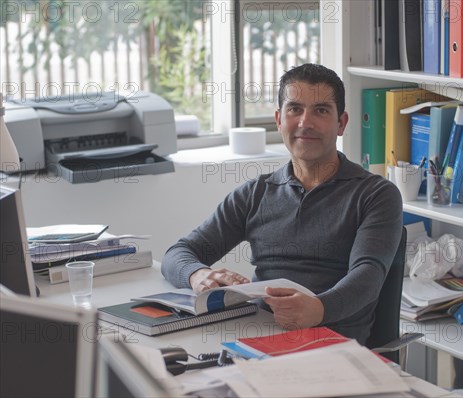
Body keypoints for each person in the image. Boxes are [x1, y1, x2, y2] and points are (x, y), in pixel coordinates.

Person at [162, 63, 403, 344]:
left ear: (342, 123)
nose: (305, 122)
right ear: (279, 120)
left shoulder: (375, 194)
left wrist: (319, 309)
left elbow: (367, 278)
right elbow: (178, 253)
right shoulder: (255, 194)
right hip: (258, 337)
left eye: (321, 110)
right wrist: (197, 274)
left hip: (334, 346)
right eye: (295, 109)